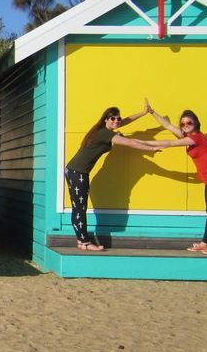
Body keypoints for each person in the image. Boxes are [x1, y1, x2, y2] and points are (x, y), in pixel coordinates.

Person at [64, 105, 160, 251]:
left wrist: (143, 112)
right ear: (106, 120)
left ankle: (81, 241)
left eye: (118, 118)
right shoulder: (104, 133)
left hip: (76, 171)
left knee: (79, 207)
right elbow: (130, 142)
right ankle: (84, 242)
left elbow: (125, 121)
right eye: (112, 118)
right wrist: (150, 148)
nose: (116, 121)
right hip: (77, 172)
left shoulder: (102, 130)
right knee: (79, 207)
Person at [144, 103, 207, 256]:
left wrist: (145, 144)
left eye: (189, 122)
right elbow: (167, 125)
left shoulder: (196, 138)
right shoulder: (187, 136)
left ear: (196, 123)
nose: (185, 125)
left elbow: (170, 143)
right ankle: (205, 242)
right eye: (183, 123)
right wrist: (152, 112)